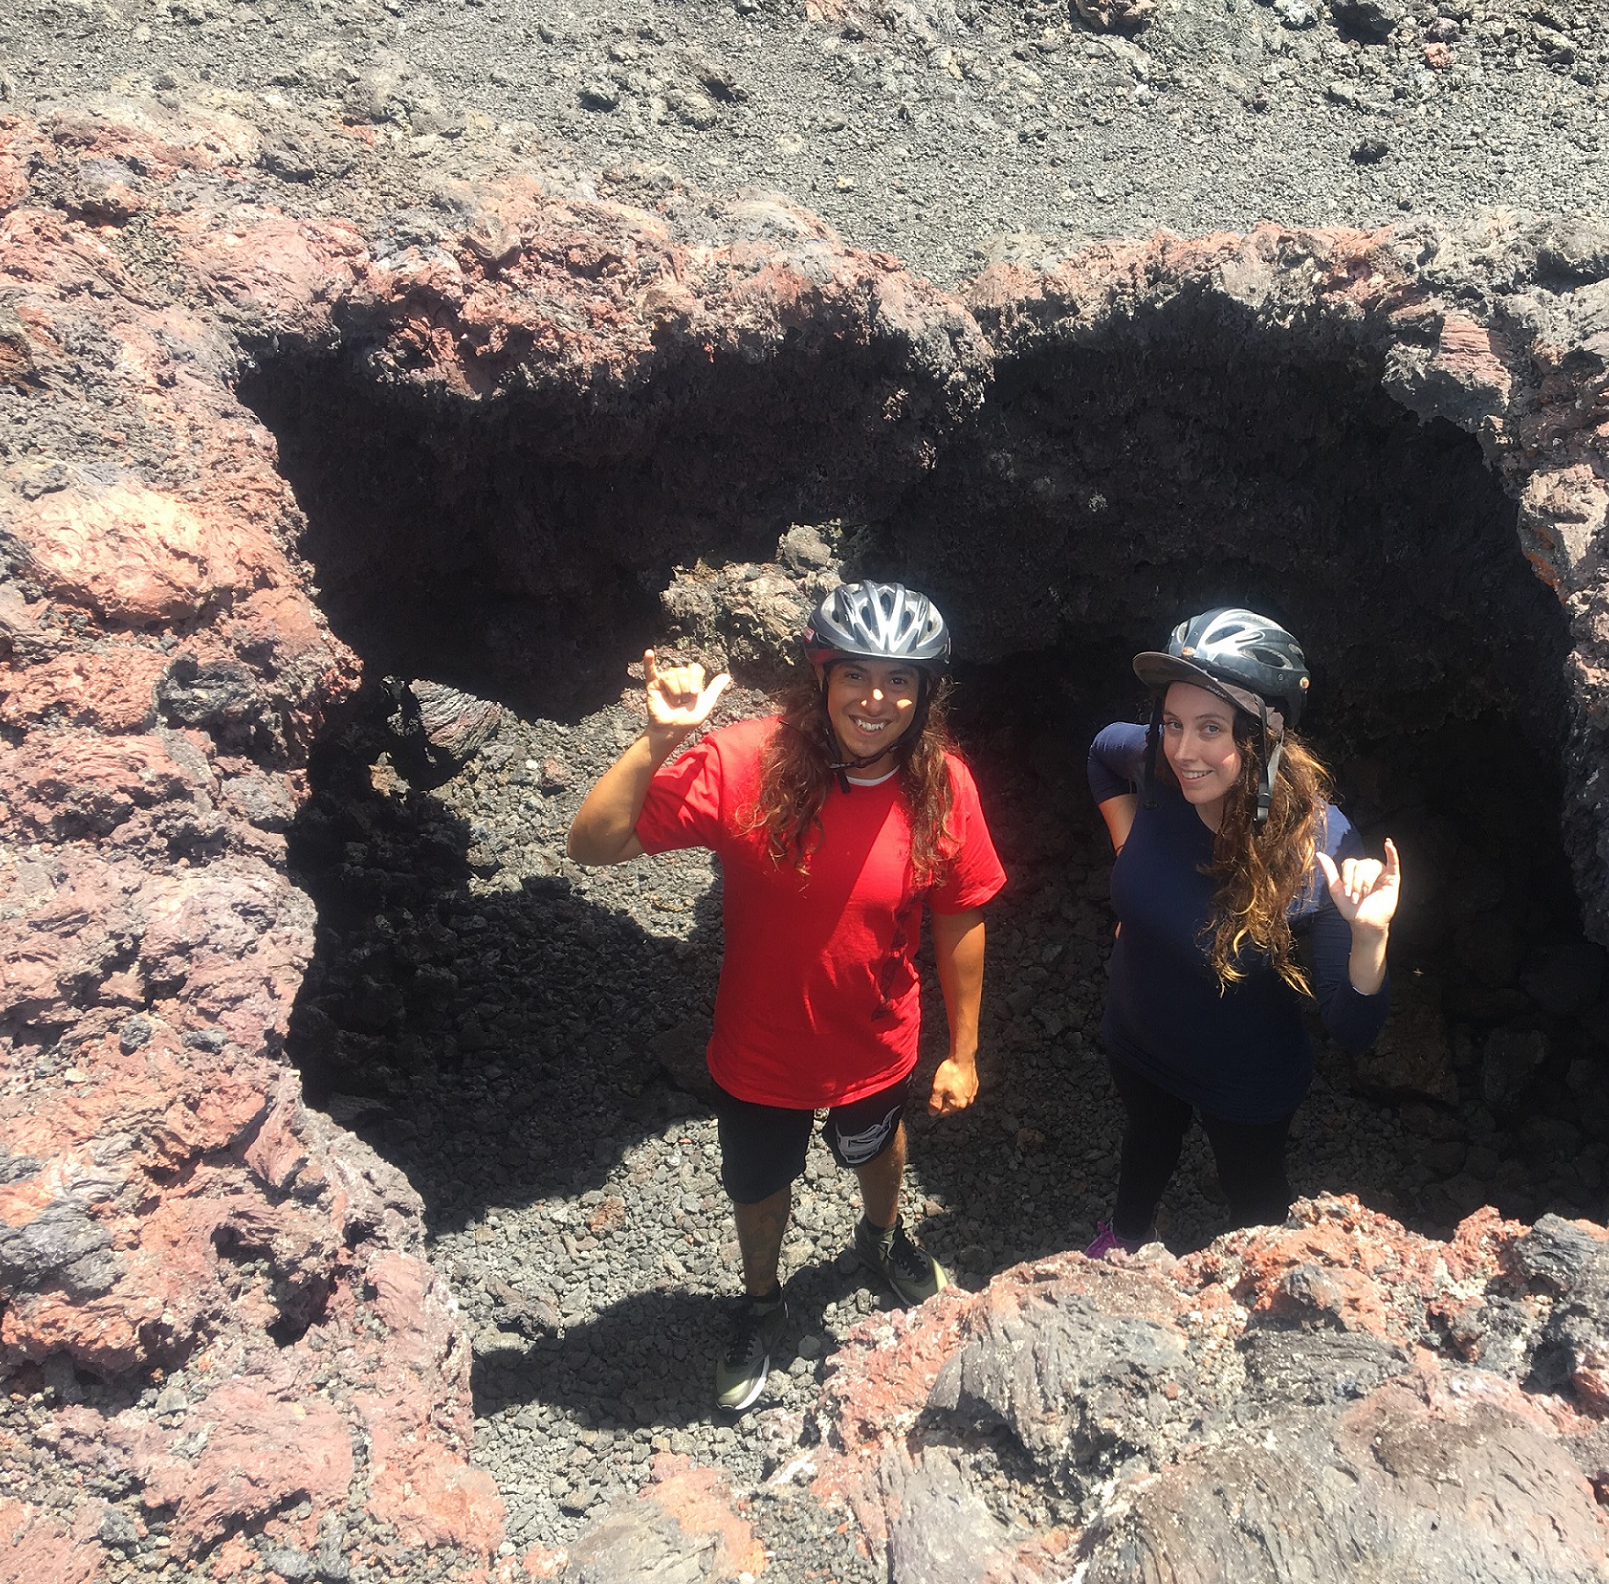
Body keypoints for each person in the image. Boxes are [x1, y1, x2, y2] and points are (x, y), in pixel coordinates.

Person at [566, 582, 1005, 1411]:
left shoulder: (941, 785)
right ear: (821, 674)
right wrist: (659, 741)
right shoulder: (746, 761)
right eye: (856, 676)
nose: (876, 700)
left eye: (901, 681)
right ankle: (761, 1299)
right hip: (760, 1052)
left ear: (926, 692)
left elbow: (960, 912)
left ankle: (882, 1239)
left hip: (874, 1043)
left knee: (877, 1145)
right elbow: (594, 844)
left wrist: (964, 1051)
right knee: (758, 1185)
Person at [1083, 607, 1398, 1255]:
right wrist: (1131, 856)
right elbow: (1098, 754)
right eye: (1172, 723)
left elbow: (1352, 1028)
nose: (1182, 749)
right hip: (1137, 1039)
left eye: (1209, 729)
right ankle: (1129, 1233)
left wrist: (1368, 936)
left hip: (1244, 1077)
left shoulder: (1320, 843)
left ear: (1262, 737)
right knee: (1147, 1143)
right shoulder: (1154, 765)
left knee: (1253, 1194)